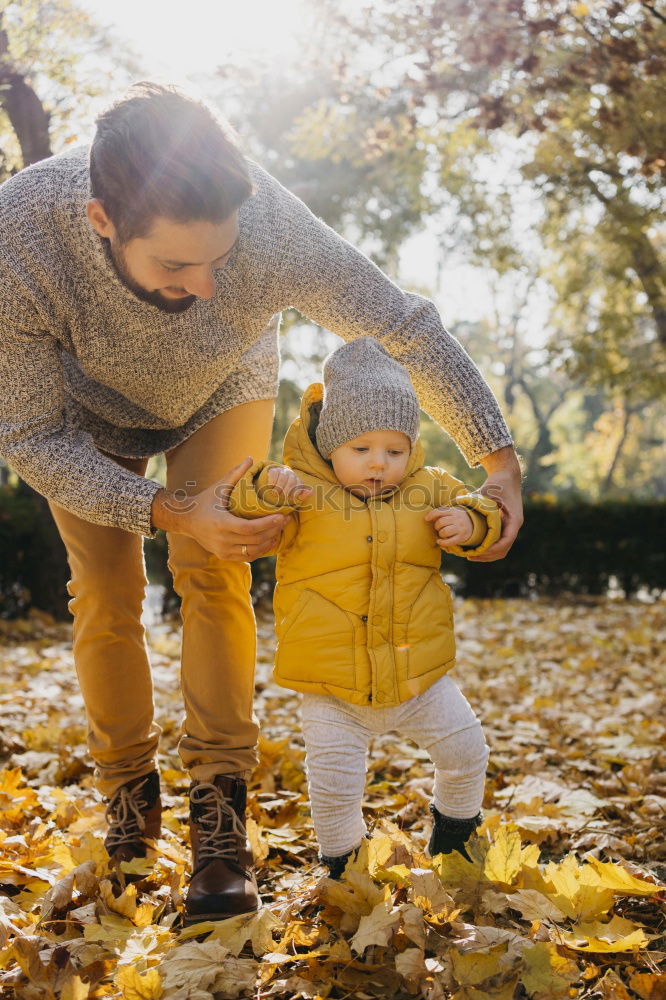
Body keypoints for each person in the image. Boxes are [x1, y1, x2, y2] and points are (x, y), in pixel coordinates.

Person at [0, 81, 521, 922]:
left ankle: (218, 821)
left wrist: (497, 460)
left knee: (217, 572)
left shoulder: (273, 226)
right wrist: (166, 508)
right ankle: (130, 805)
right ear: (103, 222)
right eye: (177, 263)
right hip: (82, 412)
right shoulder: (19, 236)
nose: (207, 285)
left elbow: (402, 324)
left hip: (223, 388)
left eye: (221, 257)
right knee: (106, 594)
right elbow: (26, 434)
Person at [229, 338, 501, 873]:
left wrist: (471, 523)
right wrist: (265, 485)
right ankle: (343, 868)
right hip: (333, 685)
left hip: (418, 674)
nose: (378, 464)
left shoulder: (427, 489)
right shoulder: (301, 490)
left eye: (394, 451)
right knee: (333, 787)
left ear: (411, 449)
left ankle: (456, 836)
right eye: (361, 449)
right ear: (331, 443)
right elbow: (242, 503)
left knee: (467, 751)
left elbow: (483, 509)